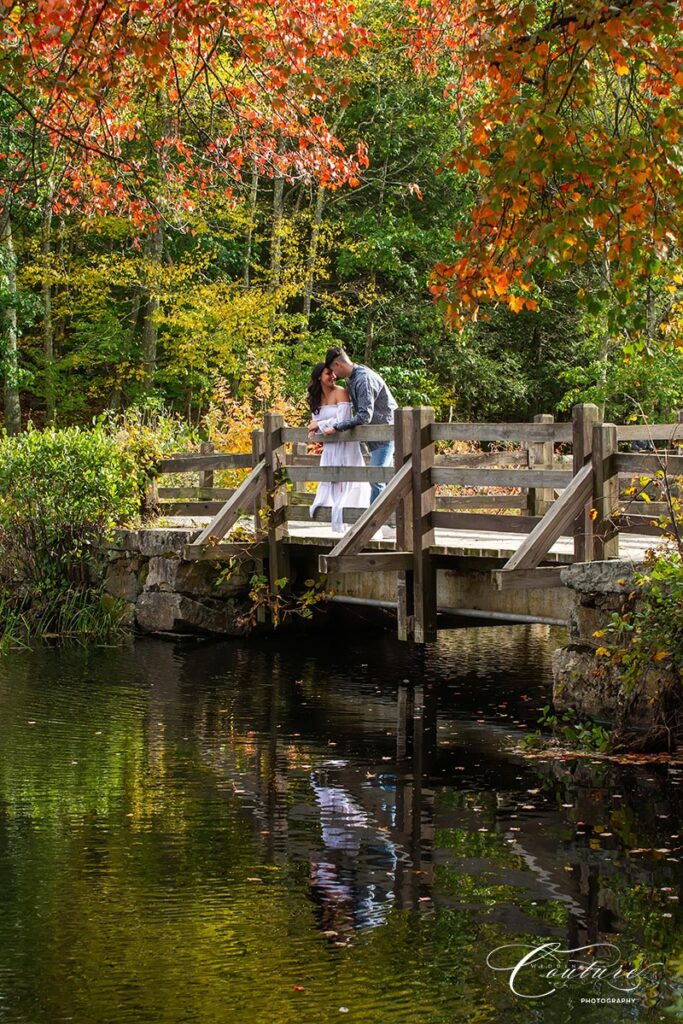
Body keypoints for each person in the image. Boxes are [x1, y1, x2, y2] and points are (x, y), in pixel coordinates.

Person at [319, 348, 397, 538]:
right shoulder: (352, 378)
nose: (334, 375)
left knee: (376, 478)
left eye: (333, 370)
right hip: (374, 437)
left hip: (386, 433)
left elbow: (364, 415)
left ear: (338, 364)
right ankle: (391, 525)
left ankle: (374, 526)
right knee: (385, 479)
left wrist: (337, 427)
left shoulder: (363, 379)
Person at [307, 362, 371, 534]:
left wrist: (319, 424)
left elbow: (342, 419)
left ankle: (356, 518)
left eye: (333, 373)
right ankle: (330, 515)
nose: (333, 376)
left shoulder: (341, 392)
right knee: (330, 478)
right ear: (319, 376)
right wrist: (317, 427)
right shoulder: (315, 398)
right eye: (328, 373)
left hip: (346, 443)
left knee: (349, 478)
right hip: (329, 447)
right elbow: (316, 424)